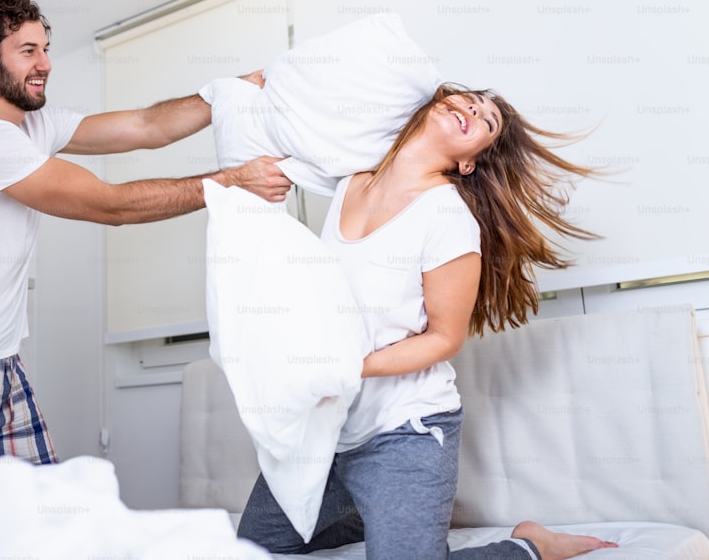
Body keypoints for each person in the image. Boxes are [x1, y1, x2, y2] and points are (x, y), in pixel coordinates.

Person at [0, 0, 292, 468]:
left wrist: (229, 93)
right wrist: (231, 184)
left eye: (46, 50)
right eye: (28, 51)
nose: (45, 64)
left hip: (0, 355)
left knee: (39, 514)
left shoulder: (34, 125)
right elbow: (111, 206)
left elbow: (144, 126)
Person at [236, 82, 617, 559]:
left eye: (486, 121)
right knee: (250, 547)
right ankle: (379, 515)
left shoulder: (447, 218)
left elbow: (443, 338)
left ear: (470, 161)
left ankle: (530, 547)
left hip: (404, 432)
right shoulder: (350, 181)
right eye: (470, 100)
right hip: (326, 430)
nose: (473, 111)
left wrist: (352, 366)